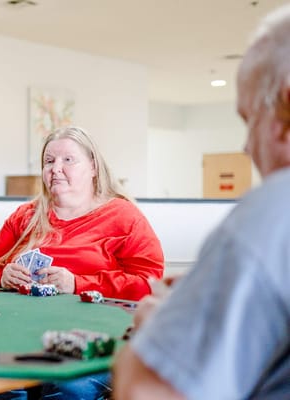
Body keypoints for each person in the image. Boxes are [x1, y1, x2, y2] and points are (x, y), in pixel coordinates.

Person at [113, 5, 290, 399]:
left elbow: (146, 393)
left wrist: (155, 326)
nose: (246, 147)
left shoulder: (273, 212)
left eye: (250, 121)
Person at [0, 126, 164, 301]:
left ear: (93, 167)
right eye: (49, 161)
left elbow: (150, 284)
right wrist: (2, 277)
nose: (56, 169)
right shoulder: (24, 216)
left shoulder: (125, 217)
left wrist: (77, 283)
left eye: (68, 160)